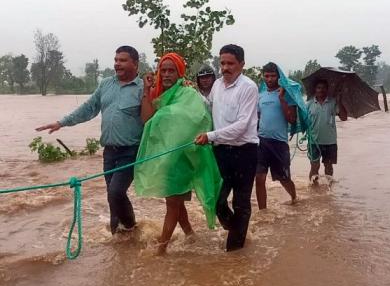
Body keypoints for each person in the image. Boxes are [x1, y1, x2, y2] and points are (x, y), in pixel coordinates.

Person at [36, 46, 143, 235]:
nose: (117, 64)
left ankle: (130, 228)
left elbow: (155, 116)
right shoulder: (106, 84)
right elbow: (89, 108)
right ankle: (117, 236)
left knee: (116, 192)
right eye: (116, 59)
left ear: (135, 64)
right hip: (109, 151)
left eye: (123, 60)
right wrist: (61, 122)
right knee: (113, 196)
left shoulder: (143, 88)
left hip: (131, 151)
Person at [137, 52, 222, 255]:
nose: (166, 74)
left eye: (171, 70)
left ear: (179, 72)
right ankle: (191, 235)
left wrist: (168, 116)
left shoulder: (189, 93)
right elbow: (147, 119)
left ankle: (161, 249)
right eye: (163, 70)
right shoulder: (158, 93)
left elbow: (198, 119)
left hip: (183, 156)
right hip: (165, 158)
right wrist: (146, 90)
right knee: (174, 200)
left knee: (173, 202)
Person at [195, 44, 259, 252]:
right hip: (221, 151)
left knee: (241, 203)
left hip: (244, 152)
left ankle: (234, 252)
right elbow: (207, 106)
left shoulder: (248, 87)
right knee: (219, 202)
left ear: (241, 64)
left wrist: (210, 136)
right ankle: (238, 232)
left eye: (230, 63)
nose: (225, 67)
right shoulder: (217, 86)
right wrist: (188, 93)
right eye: (222, 63)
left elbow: (241, 126)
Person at [255, 62, 298, 208]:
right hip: (261, 142)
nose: (270, 79)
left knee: (284, 178)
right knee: (259, 178)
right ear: (263, 76)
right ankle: (263, 212)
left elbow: (292, 120)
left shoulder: (287, 95)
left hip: (279, 143)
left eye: (273, 76)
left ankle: (294, 198)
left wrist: (282, 99)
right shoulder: (260, 96)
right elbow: (257, 118)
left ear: (279, 77)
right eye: (266, 76)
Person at [307, 79, 348, 185]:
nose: (321, 90)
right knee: (314, 166)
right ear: (315, 90)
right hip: (314, 142)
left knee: (328, 166)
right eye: (318, 88)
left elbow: (344, 118)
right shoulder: (309, 104)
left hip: (330, 142)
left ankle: (329, 190)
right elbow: (303, 121)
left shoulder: (333, 102)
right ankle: (313, 189)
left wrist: (339, 101)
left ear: (327, 89)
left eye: (324, 88)